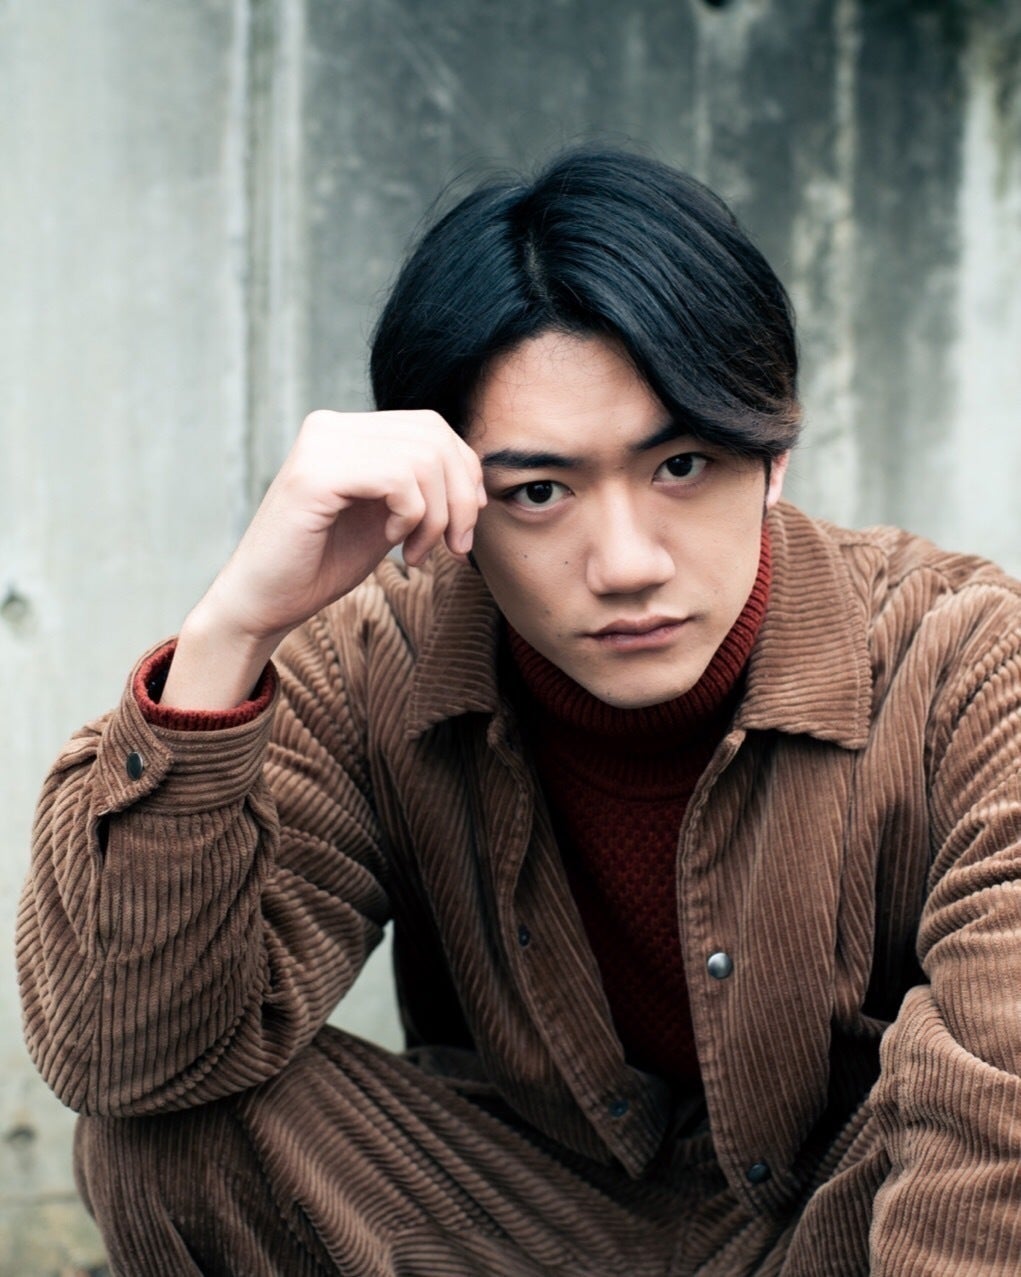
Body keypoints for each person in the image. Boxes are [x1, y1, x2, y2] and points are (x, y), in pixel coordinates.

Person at [18, 146, 1021, 1276]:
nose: (626, 563)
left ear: (773, 449)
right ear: (444, 494)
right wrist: (233, 631)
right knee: (169, 1135)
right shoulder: (373, 662)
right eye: (538, 491)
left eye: (682, 465)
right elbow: (122, 1055)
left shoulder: (966, 659)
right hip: (530, 1225)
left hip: (850, 1230)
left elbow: (1001, 1110)